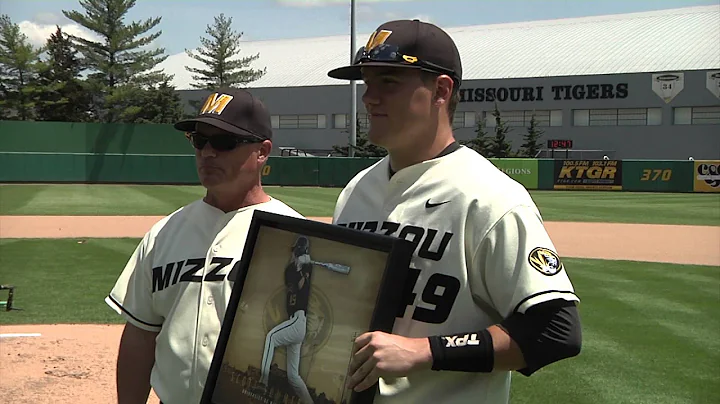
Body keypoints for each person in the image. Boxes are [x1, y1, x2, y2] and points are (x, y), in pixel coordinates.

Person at [326, 19, 582, 403]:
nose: (369, 97)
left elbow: (554, 330)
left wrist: (424, 352)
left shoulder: (489, 196)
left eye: (388, 83)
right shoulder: (356, 190)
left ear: (441, 90)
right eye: (367, 83)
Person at [104, 88, 305, 404]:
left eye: (224, 142)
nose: (208, 152)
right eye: (200, 141)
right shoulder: (164, 234)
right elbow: (140, 335)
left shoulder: (292, 235)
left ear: (263, 151)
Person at [258, 235, 351, 404]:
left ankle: (262, 383)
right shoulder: (290, 270)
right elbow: (293, 283)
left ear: (299, 251)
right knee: (293, 376)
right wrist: (300, 267)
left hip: (298, 321)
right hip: (295, 323)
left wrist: (305, 269)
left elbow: (302, 285)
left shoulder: (306, 268)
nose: (293, 254)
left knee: (271, 337)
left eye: (295, 251)